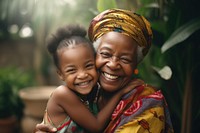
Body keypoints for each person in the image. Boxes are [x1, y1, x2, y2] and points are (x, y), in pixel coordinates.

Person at [35, 8, 174, 133]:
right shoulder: (90, 93)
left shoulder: (148, 103)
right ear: (95, 56)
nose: (113, 65)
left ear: (135, 64)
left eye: (125, 59)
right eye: (106, 54)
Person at [41, 24, 138, 133]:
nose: (82, 75)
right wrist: (120, 93)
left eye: (88, 66)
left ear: (95, 62)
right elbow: (96, 126)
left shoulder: (94, 92)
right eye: (72, 70)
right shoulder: (62, 94)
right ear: (60, 74)